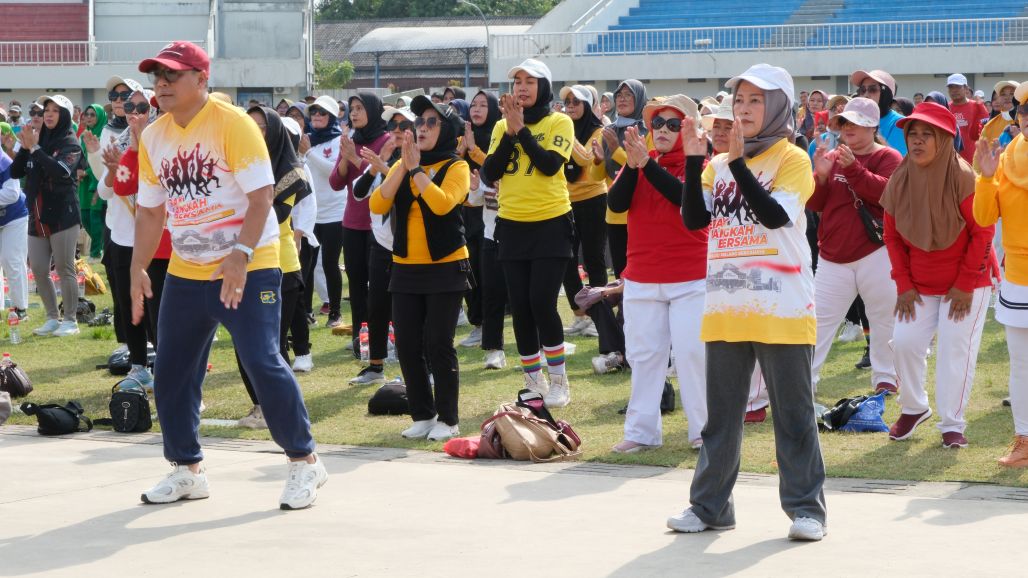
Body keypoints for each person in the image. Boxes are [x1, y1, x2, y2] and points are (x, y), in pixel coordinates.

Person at [130, 41, 326, 509]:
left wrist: (240, 253)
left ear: (201, 79)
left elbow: (261, 198)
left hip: (249, 265)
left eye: (172, 75)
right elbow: (151, 212)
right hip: (187, 269)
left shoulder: (233, 123)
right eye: (157, 76)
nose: (162, 84)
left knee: (262, 360)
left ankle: (305, 461)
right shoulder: (154, 136)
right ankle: (187, 469)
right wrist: (138, 266)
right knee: (172, 370)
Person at [675, 64, 827, 541]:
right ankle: (710, 507)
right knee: (720, 418)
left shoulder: (792, 158)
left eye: (755, 100)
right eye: (738, 100)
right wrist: (693, 161)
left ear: (778, 106)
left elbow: (775, 215)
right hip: (726, 305)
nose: (743, 109)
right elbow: (694, 220)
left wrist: (739, 164)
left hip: (782, 306)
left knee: (794, 415)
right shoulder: (717, 164)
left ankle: (807, 511)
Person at [881, 102, 997, 449]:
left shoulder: (963, 177)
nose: (916, 141)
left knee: (953, 350)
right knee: (903, 342)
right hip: (918, 284)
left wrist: (965, 284)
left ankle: (952, 424)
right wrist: (903, 284)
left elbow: (984, 231)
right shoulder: (900, 178)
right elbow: (891, 236)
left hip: (966, 283)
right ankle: (914, 407)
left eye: (926, 134)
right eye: (912, 134)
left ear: (945, 140)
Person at [607, 95, 708, 453]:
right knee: (643, 355)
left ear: (689, 129)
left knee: (693, 355)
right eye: (657, 124)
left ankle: (703, 430)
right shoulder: (640, 160)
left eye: (673, 124)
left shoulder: (700, 164)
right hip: (642, 274)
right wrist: (635, 166)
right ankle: (642, 431)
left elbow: (683, 198)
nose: (663, 130)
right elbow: (616, 203)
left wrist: (646, 165)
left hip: (691, 276)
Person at [370, 95, 471, 441]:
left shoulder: (456, 167)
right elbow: (377, 203)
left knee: (439, 343)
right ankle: (423, 415)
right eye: (419, 122)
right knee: (408, 344)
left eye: (431, 122)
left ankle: (448, 418)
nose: (422, 128)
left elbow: (443, 205)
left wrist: (416, 170)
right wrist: (403, 166)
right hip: (405, 268)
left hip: (446, 267)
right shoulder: (404, 162)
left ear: (447, 130)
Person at [481, 58, 576, 407]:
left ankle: (559, 381)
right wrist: (510, 132)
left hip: (551, 222)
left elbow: (550, 165)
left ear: (544, 87)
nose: (522, 87)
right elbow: (489, 172)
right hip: (511, 224)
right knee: (520, 307)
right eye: (517, 81)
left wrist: (521, 131)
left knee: (541, 302)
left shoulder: (559, 121)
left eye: (530, 81)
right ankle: (533, 381)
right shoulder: (500, 126)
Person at [808, 97, 903, 396]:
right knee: (817, 322)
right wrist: (821, 178)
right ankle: (803, 381)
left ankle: (886, 377)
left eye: (856, 123)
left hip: (876, 251)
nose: (848, 127)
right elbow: (816, 204)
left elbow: (887, 196)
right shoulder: (833, 156)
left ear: (873, 127)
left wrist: (853, 169)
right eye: (845, 122)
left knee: (884, 317)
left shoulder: (888, 156)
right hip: (833, 255)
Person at [236, 106, 314, 428]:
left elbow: (276, 216)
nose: (256, 132)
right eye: (250, 126)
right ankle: (261, 406)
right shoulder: (240, 165)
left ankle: (278, 410)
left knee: (270, 347)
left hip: (278, 267)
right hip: (243, 265)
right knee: (244, 345)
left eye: (262, 127)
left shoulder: (290, 172)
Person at [92, 88, 159, 391]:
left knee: (156, 307)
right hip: (121, 234)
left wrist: (133, 160)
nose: (134, 113)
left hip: (156, 238)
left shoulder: (162, 140)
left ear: (153, 111)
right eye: (130, 106)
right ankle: (138, 366)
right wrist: (112, 171)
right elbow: (105, 191)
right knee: (127, 302)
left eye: (142, 107)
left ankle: (167, 366)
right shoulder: (119, 143)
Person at [975, 94, 1028, 466]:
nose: (1027, 116)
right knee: (1021, 364)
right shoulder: (1006, 157)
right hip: (1019, 277)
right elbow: (983, 217)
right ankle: (1024, 440)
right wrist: (985, 176)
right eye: (1024, 109)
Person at [11, 95, 82, 338]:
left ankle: (70, 320)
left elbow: (61, 171)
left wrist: (35, 148)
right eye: (46, 110)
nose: (48, 114)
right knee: (39, 268)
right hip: (37, 214)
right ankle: (52, 318)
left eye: (55, 110)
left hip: (63, 213)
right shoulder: (37, 139)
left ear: (65, 115)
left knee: (64, 267)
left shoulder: (70, 142)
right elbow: (15, 171)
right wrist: (24, 147)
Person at [330, 93, 391, 356]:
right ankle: (360, 338)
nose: (354, 113)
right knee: (356, 285)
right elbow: (335, 182)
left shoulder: (386, 140)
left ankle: (383, 338)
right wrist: (346, 156)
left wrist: (355, 159)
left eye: (359, 108)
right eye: (352, 109)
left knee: (378, 287)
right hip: (352, 224)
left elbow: (384, 176)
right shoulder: (351, 141)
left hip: (378, 226)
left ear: (373, 111)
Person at [354, 106, 410, 378]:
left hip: (410, 246)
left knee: (407, 309)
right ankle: (376, 364)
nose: (396, 131)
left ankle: (413, 364)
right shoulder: (382, 158)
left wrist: (384, 168)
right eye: (393, 126)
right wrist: (374, 167)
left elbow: (407, 191)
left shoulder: (418, 159)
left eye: (403, 126)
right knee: (376, 305)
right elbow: (358, 192)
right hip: (381, 242)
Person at [462, 90, 507, 370]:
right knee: (489, 290)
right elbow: (480, 198)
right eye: (473, 105)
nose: (477, 109)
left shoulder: (508, 148)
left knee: (526, 295)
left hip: (520, 229)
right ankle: (493, 348)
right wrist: (477, 188)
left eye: (483, 105)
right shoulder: (471, 143)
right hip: (490, 228)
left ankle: (539, 346)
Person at [559, 84, 608, 339]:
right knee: (566, 259)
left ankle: (599, 318)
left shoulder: (599, 130)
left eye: (576, 102)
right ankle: (580, 314)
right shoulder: (562, 129)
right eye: (567, 102)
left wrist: (567, 134)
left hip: (593, 199)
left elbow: (588, 158)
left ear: (587, 105)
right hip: (566, 201)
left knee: (593, 260)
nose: (570, 107)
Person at [303, 96, 346, 329]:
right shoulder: (306, 140)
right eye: (314, 112)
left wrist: (309, 153)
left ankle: (335, 312)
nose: (317, 116)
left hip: (335, 212)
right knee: (307, 265)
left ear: (331, 116)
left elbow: (335, 171)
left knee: (330, 263)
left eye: (322, 112)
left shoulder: (340, 140)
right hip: (311, 211)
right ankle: (307, 312)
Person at [602, 79, 648, 280]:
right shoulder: (610, 131)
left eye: (629, 95)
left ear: (639, 99)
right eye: (619, 95)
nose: (622, 99)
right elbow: (598, 176)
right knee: (621, 274)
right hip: (614, 213)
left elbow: (643, 168)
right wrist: (597, 160)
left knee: (641, 272)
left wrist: (615, 150)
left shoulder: (647, 131)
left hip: (640, 211)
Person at [0, 149, 29, 319]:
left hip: (14, 216)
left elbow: (12, 194)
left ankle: (20, 308)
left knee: (12, 259)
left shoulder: (4, 162)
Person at [850, 69, 906, 155]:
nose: (866, 95)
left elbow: (897, 160)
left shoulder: (901, 124)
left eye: (872, 89)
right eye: (862, 90)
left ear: (886, 94)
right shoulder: (854, 121)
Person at [77, 104, 107, 259]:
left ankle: (96, 252)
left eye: (92, 114)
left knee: (95, 218)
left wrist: (86, 172)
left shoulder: (104, 134)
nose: (88, 117)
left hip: (97, 180)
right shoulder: (84, 136)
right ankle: (100, 246)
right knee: (84, 217)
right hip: (83, 183)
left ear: (100, 117)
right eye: (86, 114)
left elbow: (103, 161)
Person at [946, 74, 989, 165]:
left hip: (974, 161)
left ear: (966, 88)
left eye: (958, 87)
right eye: (951, 87)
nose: (954, 90)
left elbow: (986, 131)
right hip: (951, 161)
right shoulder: (945, 109)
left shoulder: (977, 106)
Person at [981, 80, 1020, 147]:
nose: (1007, 97)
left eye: (1012, 93)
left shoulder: (1024, 121)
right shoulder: (989, 126)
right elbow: (981, 151)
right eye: (1003, 94)